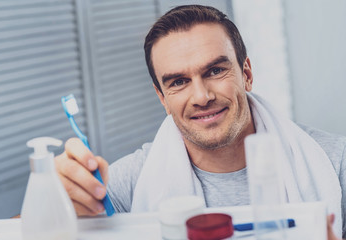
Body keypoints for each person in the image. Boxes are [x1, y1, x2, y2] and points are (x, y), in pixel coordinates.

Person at [54, 5, 346, 239]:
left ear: (246, 73)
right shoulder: (126, 184)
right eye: (179, 81)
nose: (202, 96)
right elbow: (20, 228)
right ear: (162, 98)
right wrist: (57, 202)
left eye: (216, 70)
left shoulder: (335, 162)